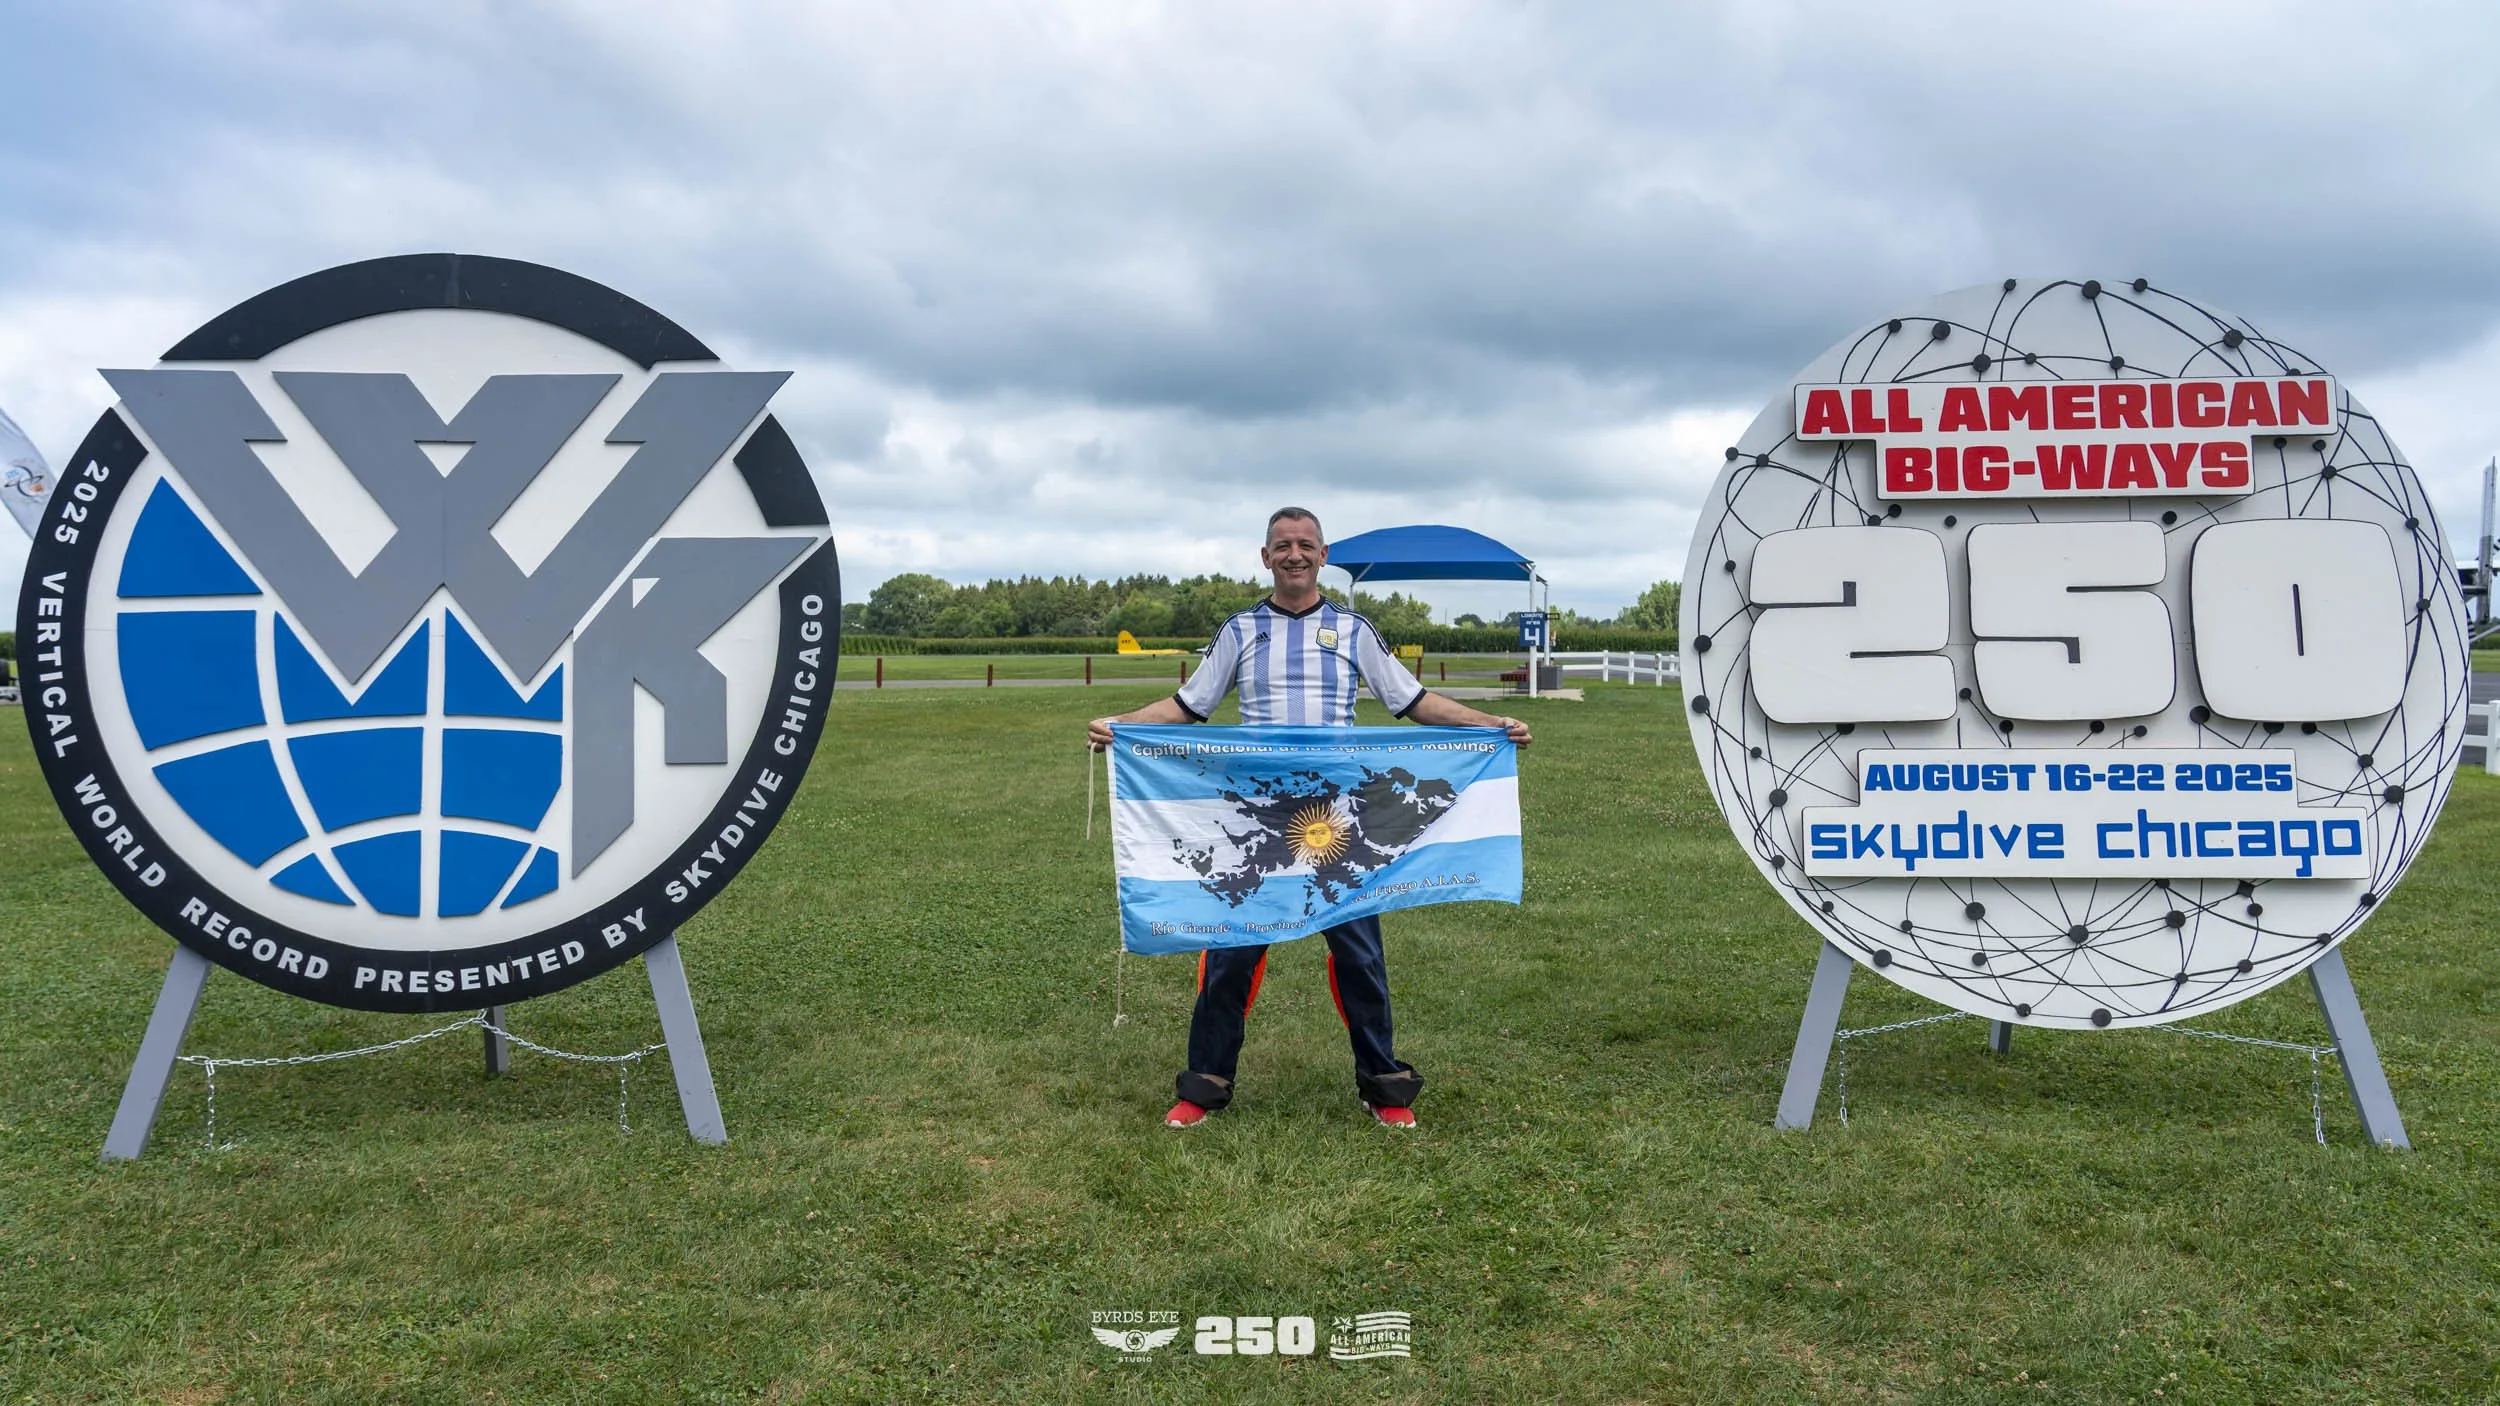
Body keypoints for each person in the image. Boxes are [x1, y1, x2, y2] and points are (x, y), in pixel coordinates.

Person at [1088, 507, 1533, 1130]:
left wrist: (1491, 725)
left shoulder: (1354, 631)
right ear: (1265, 557)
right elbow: (1190, 706)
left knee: (1360, 956)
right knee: (1231, 958)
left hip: (1341, 821)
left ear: (1323, 556)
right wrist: (1122, 725)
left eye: (1305, 545)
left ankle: (1383, 1088)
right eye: (1282, 546)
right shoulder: (1241, 631)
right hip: (1261, 818)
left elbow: (1414, 701)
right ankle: (1205, 1087)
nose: (1294, 555)